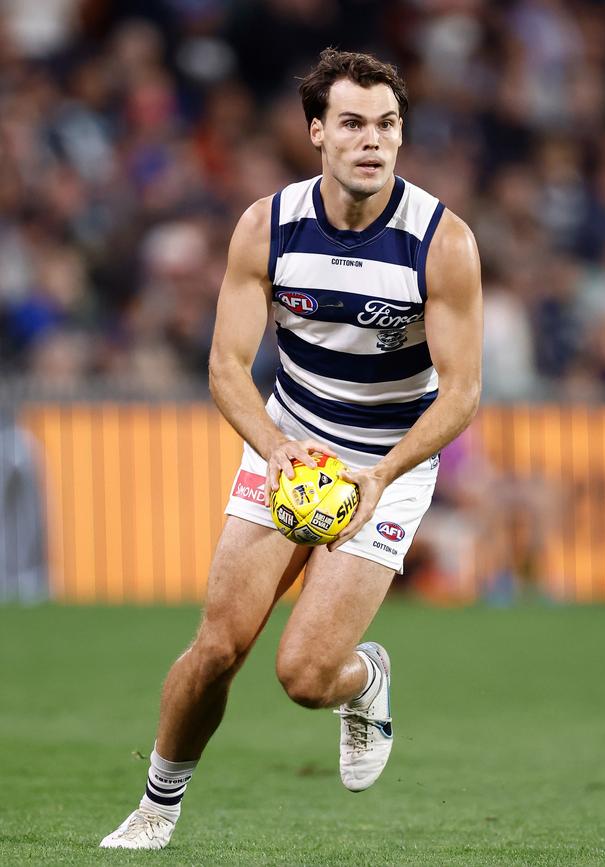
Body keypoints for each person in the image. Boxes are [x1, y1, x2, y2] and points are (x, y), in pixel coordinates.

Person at [100, 48, 482, 850]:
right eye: (351, 123)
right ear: (316, 132)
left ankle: (364, 678)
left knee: (305, 676)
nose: (371, 140)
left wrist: (382, 474)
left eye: (386, 125)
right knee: (217, 646)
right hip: (290, 446)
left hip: (387, 464)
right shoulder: (266, 226)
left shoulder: (441, 241)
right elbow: (225, 367)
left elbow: (462, 392)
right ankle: (155, 811)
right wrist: (274, 448)